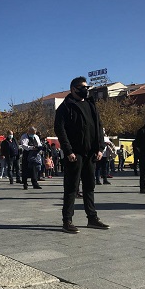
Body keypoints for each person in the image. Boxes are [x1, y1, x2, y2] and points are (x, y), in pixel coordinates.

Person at [54, 76, 110, 233]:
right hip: (75, 154)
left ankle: (92, 218)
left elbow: (99, 127)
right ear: (73, 89)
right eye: (82, 87)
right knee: (71, 187)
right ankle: (67, 220)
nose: (85, 89)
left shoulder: (91, 105)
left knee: (89, 186)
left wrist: (100, 148)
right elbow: (60, 130)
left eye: (86, 87)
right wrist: (68, 150)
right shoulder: (65, 107)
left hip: (91, 154)